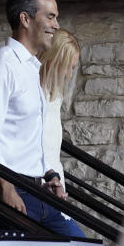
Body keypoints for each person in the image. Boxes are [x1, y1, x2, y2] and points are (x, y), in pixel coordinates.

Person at [0, 0, 84, 237]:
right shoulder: (2, 65)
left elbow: (28, 138)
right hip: (7, 187)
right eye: (50, 16)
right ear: (25, 18)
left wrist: (50, 174)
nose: (56, 25)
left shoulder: (31, 68)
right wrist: (7, 188)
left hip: (36, 188)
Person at [38, 29, 81, 199]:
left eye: (72, 68)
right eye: (67, 67)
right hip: (39, 182)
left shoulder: (54, 95)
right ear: (53, 61)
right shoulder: (32, 91)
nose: (70, 75)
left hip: (53, 180)